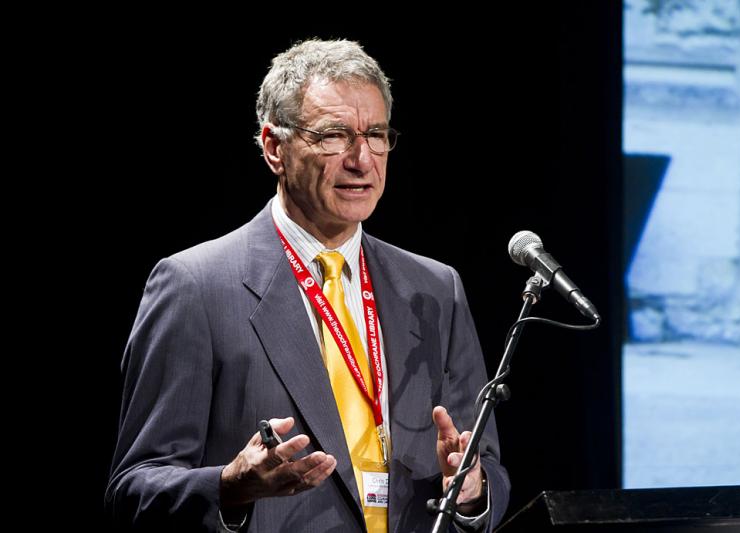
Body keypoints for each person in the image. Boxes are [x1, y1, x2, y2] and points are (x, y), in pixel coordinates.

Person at [106, 38, 510, 532]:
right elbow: (135, 490)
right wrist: (231, 487)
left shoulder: (435, 289)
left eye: (376, 135)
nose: (362, 160)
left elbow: (484, 463)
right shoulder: (196, 286)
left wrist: (472, 491)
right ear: (275, 147)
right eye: (334, 136)